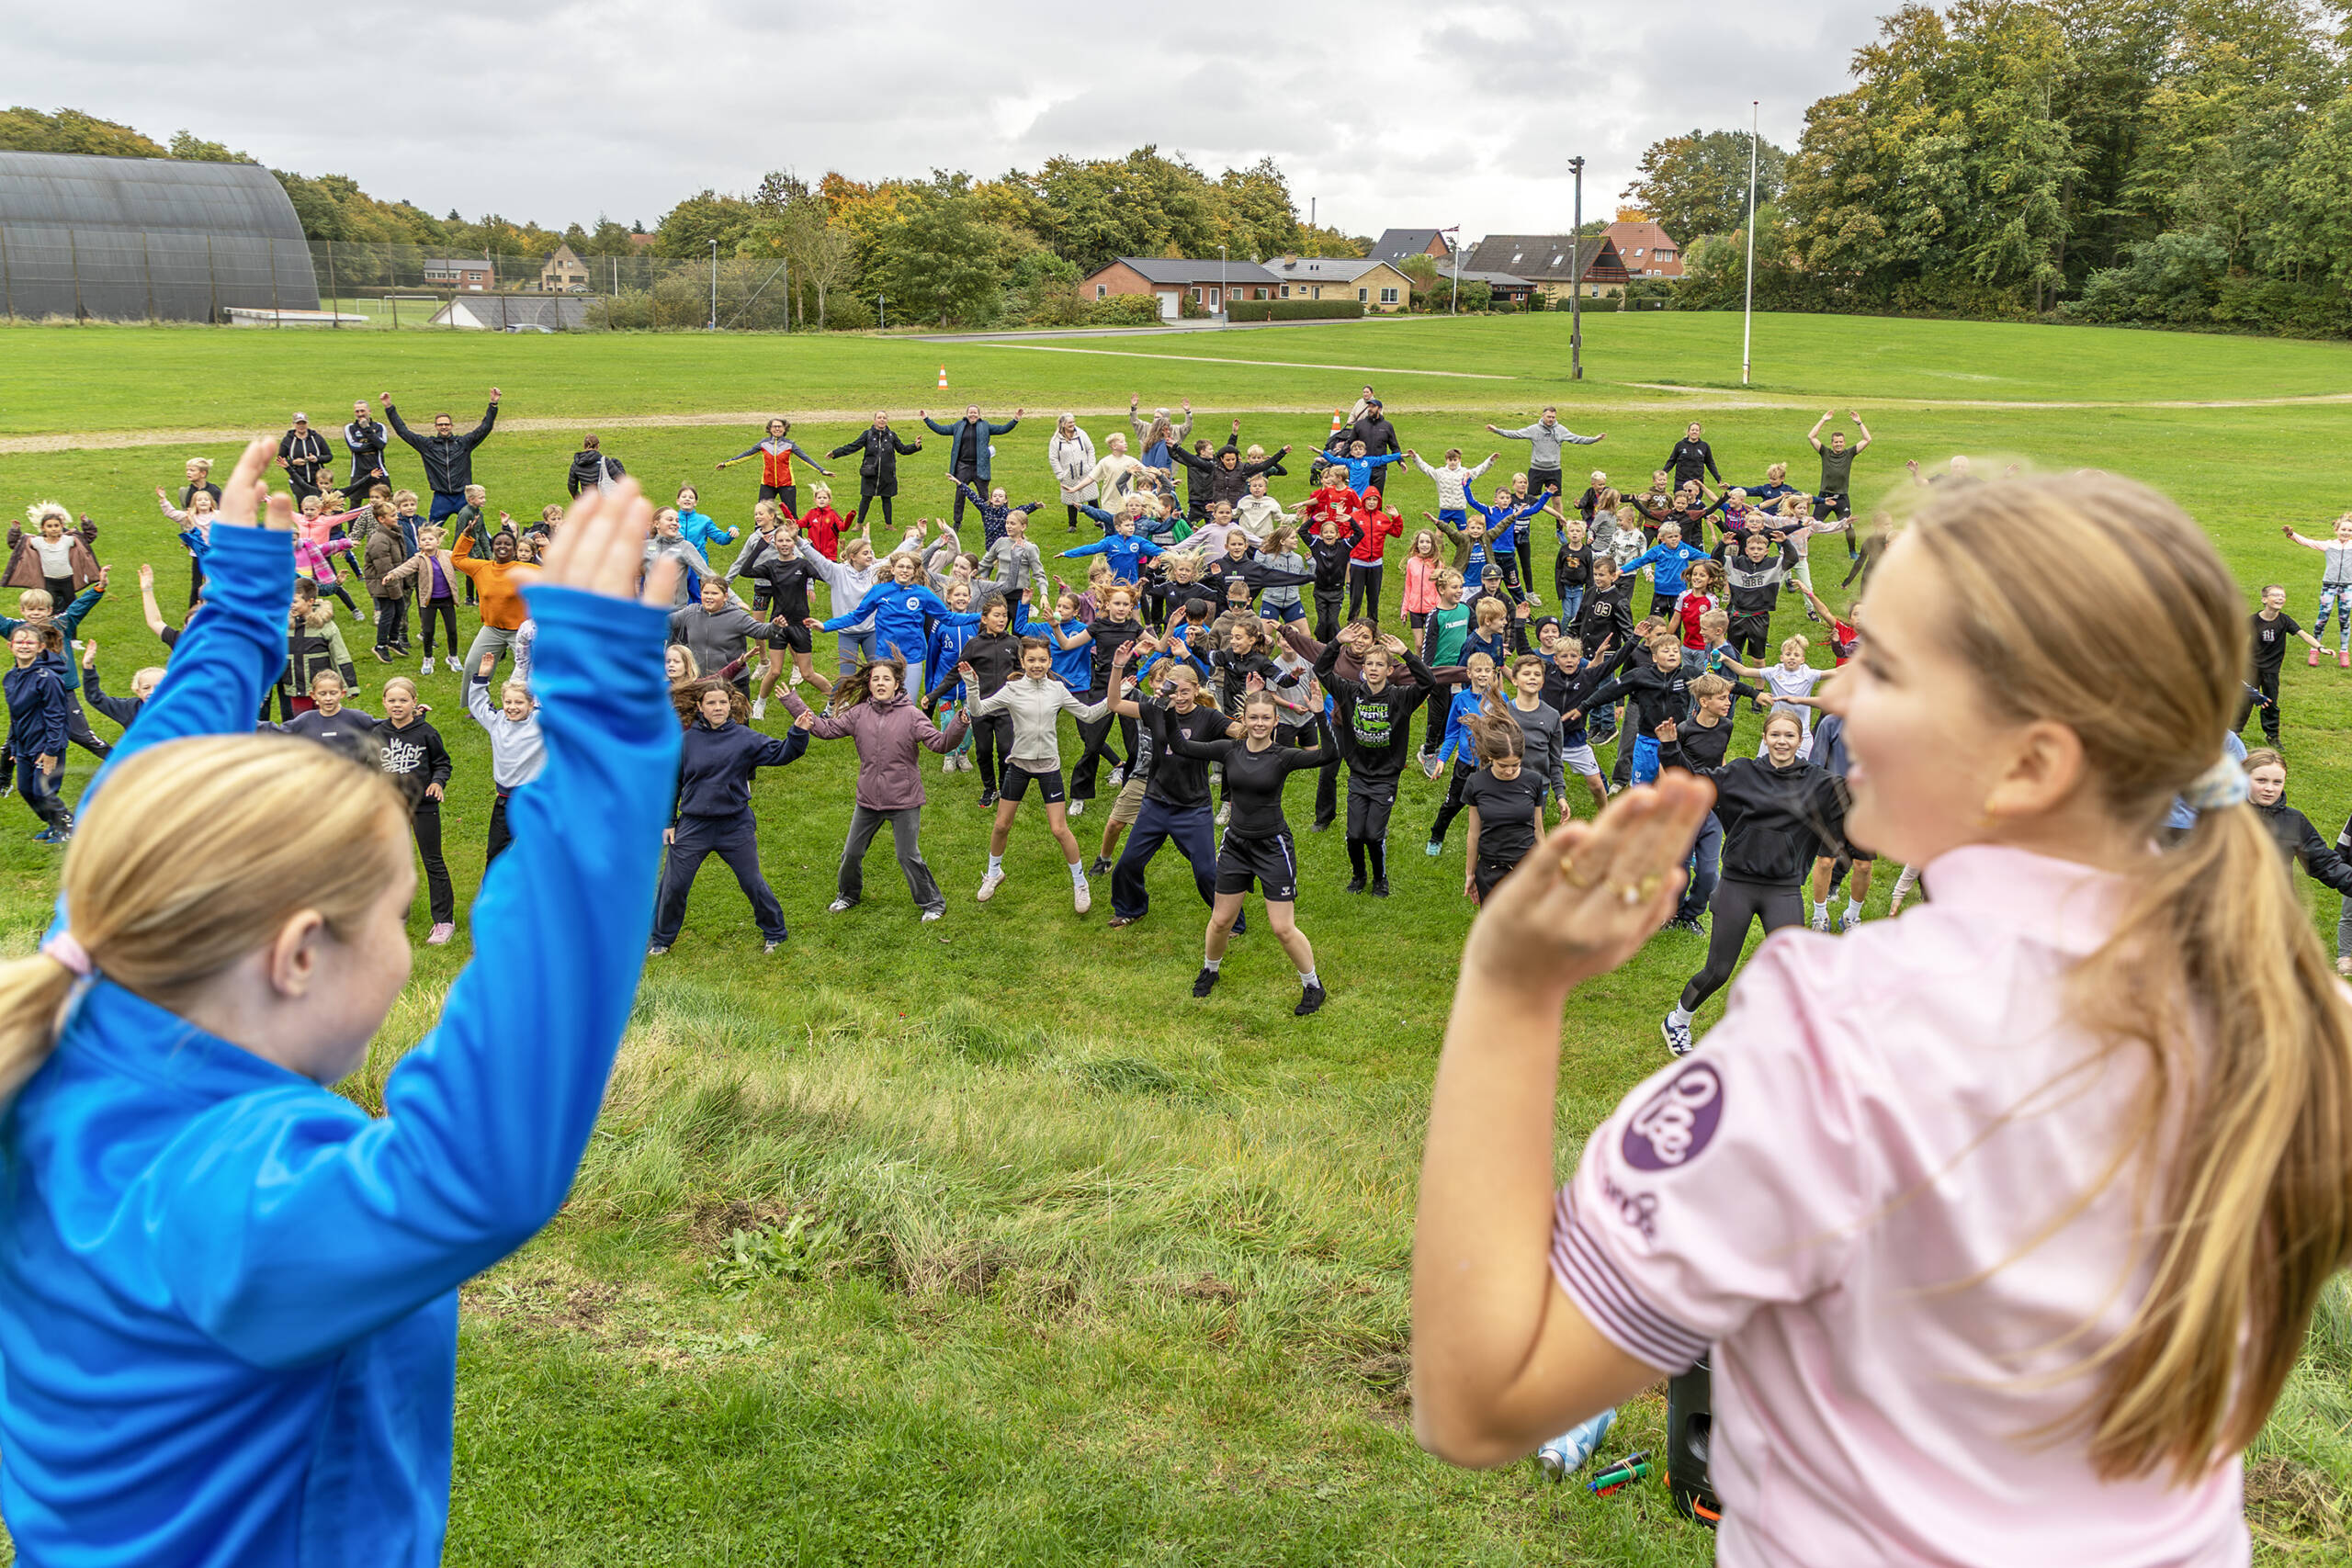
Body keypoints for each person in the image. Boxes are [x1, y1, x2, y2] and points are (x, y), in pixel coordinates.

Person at [1413, 468, 2352, 1568]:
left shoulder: (1837, 1034)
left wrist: (1510, 992)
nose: (1832, 695)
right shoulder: (2298, 1013)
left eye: (1885, 666)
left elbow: (1482, 1397)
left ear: (2030, 763)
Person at [0, 445, 679, 1567]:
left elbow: (142, 798)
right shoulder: (226, 1193)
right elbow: (471, 1172)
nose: (408, 955)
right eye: (395, 919)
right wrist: (604, 724)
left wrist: (242, 602)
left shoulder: (79, 991)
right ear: (300, 953)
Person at [1169, 688, 1333, 1013]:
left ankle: (1313, 985)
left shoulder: (1282, 756)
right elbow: (1181, 745)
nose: (1259, 723)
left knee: (1282, 928)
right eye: (1253, 717)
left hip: (1272, 846)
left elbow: (1328, 755)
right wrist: (1167, 709)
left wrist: (1319, 714)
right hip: (1236, 845)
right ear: (1243, 719)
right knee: (1221, 921)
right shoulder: (1230, 750)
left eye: (1265, 718)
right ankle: (1210, 970)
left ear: (1275, 721)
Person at [777, 659, 966, 921]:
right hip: (868, 800)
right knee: (851, 853)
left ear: (897, 684)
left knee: (908, 856)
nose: (880, 683)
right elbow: (826, 729)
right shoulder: (858, 714)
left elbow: (941, 744)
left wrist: (960, 722)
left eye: (886, 679)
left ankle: (933, 904)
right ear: (869, 684)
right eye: (875, 679)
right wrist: (794, 703)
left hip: (904, 801)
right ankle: (848, 895)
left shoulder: (912, 716)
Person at [959, 636, 1126, 912]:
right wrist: (971, 684)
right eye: (1031, 660)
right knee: (1001, 825)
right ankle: (993, 873)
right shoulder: (1012, 690)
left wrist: (1121, 691)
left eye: (1042, 660)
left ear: (1050, 661)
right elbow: (978, 710)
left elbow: (1088, 715)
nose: (1037, 665)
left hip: (1048, 766)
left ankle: (1080, 883)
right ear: (1022, 661)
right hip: (1019, 765)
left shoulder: (1057, 690)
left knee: (1059, 829)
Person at [649, 680, 811, 954]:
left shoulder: (745, 738)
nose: (718, 707)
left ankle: (775, 933)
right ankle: (661, 940)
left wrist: (798, 732)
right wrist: (668, 822)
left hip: (735, 825)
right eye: (711, 703)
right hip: (694, 826)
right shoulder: (685, 742)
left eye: (722, 702)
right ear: (700, 706)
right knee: (674, 885)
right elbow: (672, 784)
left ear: (730, 705)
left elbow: (783, 754)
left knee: (752, 882)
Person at [1104, 659, 1232, 931]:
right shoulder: (1155, 709)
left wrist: (1258, 721)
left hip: (1193, 808)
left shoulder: (1208, 717)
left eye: (1186, 692)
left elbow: (1239, 733)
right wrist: (1117, 667)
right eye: (1175, 691)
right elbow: (1114, 704)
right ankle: (1130, 909)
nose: (1180, 698)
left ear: (1196, 689)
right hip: (1156, 803)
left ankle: (1232, 921)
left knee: (1206, 872)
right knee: (1128, 863)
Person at [1317, 623, 1440, 897]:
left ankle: (1380, 879)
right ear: (1363, 669)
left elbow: (1428, 682)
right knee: (1354, 835)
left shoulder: (1401, 698)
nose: (1373, 669)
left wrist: (1406, 653)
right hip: (1358, 776)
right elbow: (1322, 670)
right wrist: (1337, 642)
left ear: (1389, 670)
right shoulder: (1350, 692)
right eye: (1369, 664)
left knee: (1373, 835)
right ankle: (1359, 875)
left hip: (1385, 778)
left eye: (1379, 665)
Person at [376, 676, 457, 947]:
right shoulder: (377, 734)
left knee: (432, 861)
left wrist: (437, 782)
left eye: (403, 700)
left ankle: (444, 921)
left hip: (423, 806)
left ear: (414, 702)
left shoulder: (426, 733)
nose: (397, 705)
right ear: (384, 703)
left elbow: (442, 763)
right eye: (392, 700)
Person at [1456, 701, 1544, 905]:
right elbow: (1474, 833)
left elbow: (1539, 830)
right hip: (1491, 871)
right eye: (1503, 765)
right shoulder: (1476, 783)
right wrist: (1470, 873)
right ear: (1490, 757)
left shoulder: (1533, 781)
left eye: (1516, 765)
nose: (1509, 771)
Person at [465, 649, 545, 863]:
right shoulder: (497, 721)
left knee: (538, 854)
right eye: (508, 702)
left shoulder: (541, 722)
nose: (512, 707)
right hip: (505, 800)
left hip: (534, 800)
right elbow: (478, 704)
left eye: (519, 703)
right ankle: (492, 885)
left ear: (531, 704)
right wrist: (482, 676)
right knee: (495, 853)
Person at [2241, 749, 2352, 895]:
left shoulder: (2294, 820)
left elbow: (2325, 863)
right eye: (2261, 780)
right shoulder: (2219, 816)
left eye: (2277, 782)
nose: (2269, 788)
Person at [379, 389, 501, 524]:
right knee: (430, 530)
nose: (444, 427)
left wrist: (493, 405)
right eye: (440, 425)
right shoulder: (427, 446)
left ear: (452, 426)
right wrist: (389, 407)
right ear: (436, 427)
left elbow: (485, 428)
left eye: (446, 424)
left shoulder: (463, 443)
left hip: (463, 496)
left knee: (476, 527)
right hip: (441, 498)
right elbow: (403, 431)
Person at [5, 622, 73, 842]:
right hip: (24, 745)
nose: (24, 646)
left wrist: (51, 750)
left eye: (30, 642)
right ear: (10, 646)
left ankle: (69, 827)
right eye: (19, 642)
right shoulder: (10, 677)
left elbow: (57, 716)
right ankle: (55, 824)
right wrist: (14, 746)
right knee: (26, 790)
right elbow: (15, 716)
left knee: (43, 791)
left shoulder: (48, 678)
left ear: (40, 647)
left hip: (47, 745)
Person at [2239, 583, 2321, 746]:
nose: (2280, 598)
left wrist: (2320, 647)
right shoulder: (2253, 621)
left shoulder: (2285, 620)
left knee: (2271, 703)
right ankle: (2235, 732)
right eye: (2276, 595)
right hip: (2252, 668)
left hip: (2272, 670)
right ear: (2264, 599)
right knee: (2245, 701)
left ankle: (2272, 736)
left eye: (2283, 596)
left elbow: (2303, 634)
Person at [922, 404, 1023, 526]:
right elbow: (941, 430)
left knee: (984, 497)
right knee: (960, 496)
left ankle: (989, 521)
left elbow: (1002, 429)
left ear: (979, 415)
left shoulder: (985, 426)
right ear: (967, 414)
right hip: (963, 467)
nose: (973, 415)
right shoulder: (958, 426)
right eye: (970, 412)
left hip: (980, 467)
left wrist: (1015, 420)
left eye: (975, 413)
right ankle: (957, 522)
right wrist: (926, 419)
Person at [2279, 516, 2352, 669]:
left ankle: (2344, 652)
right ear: (2336, 530)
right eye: (2343, 529)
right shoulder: (2329, 545)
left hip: (2347, 587)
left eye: (2350, 530)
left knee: (2344, 619)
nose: (2346, 532)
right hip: (2329, 586)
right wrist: (2291, 534)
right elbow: (2308, 542)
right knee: (2322, 618)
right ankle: (2315, 649)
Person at [1486, 409, 1602, 502]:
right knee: (1530, 500)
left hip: (1554, 470)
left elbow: (1577, 438)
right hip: (1536, 469)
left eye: (1553, 417)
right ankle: (1525, 521)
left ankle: (1560, 525)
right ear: (1543, 416)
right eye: (1549, 417)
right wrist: (1497, 430)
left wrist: (1594, 439)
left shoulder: (1560, 430)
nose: (1551, 419)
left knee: (1557, 500)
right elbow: (1515, 434)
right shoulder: (1534, 429)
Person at [715, 417, 830, 510]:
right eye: (774, 426)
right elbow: (746, 455)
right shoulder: (763, 444)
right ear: (770, 429)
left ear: (785, 429)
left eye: (780, 426)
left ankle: (796, 533)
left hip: (787, 484)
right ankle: (759, 534)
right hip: (767, 484)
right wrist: (726, 463)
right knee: (762, 512)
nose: (777, 429)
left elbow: (805, 458)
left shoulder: (790, 445)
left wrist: (821, 470)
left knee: (791, 515)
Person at [8, 503, 101, 604]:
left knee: (70, 603)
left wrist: (86, 523)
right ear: (44, 525)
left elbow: (87, 538)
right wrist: (15, 530)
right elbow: (18, 545)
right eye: (52, 517)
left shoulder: (70, 538)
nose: (54, 527)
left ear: (62, 522)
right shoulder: (39, 540)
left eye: (59, 516)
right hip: (48, 579)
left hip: (67, 578)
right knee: (51, 603)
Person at [1807, 409, 1871, 540]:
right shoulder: (1825, 452)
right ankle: (1798, 547)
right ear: (1832, 443)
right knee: (1811, 526)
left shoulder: (1849, 454)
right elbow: (1811, 437)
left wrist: (1859, 422)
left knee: (1849, 526)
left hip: (1842, 498)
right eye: (1836, 442)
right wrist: (1823, 419)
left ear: (1844, 443)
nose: (1838, 444)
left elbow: (1867, 439)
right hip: (1824, 497)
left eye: (1841, 442)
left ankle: (1852, 550)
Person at [1048, 414, 1098, 531]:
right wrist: (1060, 474)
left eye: (1073, 422)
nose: (1072, 424)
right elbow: (1053, 458)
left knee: (1092, 497)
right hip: (1068, 474)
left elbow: (1090, 449)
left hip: (1085, 472)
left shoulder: (1081, 434)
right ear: (1063, 424)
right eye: (1069, 423)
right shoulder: (1056, 440)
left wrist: (1090, 466)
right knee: (1071, 499)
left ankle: (1099, 520)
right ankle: (1072, 524)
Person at [275, 412, 334, 502]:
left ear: (307, 423)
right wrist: (293, 462)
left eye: (303, 423)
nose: (301, 426)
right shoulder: (287, 440)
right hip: (298, 479)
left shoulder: (317, 438)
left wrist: (317, 459)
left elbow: (329, 456)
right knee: (303, 505)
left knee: (319, 505)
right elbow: (280, 460)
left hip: (317, 480)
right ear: (294, 424)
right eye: (298, 423)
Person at [343, 399, 393, 496]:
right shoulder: (350, 428)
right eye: (357, 411)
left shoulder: (379, 427)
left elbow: (381, 445)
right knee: (355, 502)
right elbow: (354, 447)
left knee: (386, 500)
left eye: (362, 411)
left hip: (379, 470)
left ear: (369, 411)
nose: (360, 414)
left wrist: (367, 428)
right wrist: (374, 443)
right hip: (358, 472)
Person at [1664, 420, 1723, 491]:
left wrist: (1718, 478)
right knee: (1680, 498)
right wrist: (1663, 473)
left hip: (1697, 482)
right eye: (1692, 430)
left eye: (1697, 430)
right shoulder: (1680, 445)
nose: (1694, 432)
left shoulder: (1704, 446)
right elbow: (1672, 461)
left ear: (1700, 432)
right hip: (1681, 481)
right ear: (1688, 432)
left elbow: (1710, 463)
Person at [564, 433, 625, 497]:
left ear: (584, 446)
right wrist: (618, 464)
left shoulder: (576, 464)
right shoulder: (605, 462)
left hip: (588, 500)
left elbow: (572, 487)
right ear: (598, 446)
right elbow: (622, 481)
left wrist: (580, 499)